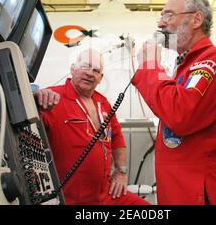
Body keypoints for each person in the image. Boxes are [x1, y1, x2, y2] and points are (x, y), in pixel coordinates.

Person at [133, 0, 216, 205]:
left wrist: (150, 67)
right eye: (162, 16)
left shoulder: (214, 58)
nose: (161, 24)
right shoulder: (186, 67)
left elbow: (180, 113)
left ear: (196, 19)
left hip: (200, 191)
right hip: (180, 188)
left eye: (169, 15)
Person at [34, 49, 149, 205]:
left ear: (100, 78)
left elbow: (117, 138)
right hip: (71, 198)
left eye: (96, 70)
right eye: (85, 67)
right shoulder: (52, 98)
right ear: (72, 69)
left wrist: (121, 173)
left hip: (106, 193)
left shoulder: (104, 103)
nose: (90, 73)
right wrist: (36, 98)